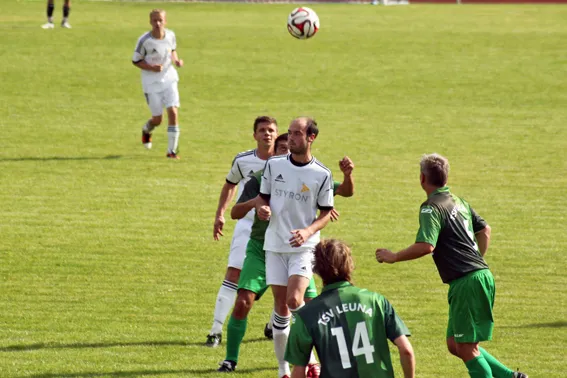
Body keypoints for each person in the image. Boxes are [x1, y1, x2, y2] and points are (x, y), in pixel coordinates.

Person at [375, 153, 528, 378]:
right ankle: (511, 377)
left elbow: (427, 245)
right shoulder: (459, 201)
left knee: (467, 348)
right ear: (445, 178)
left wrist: (394, 256)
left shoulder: (431, 207)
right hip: (478, 275)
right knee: (454, 343)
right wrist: (477, 259)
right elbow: (485, 230)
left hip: (467, 281)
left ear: (422, 178)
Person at [217, 134, 355, 374]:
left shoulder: (310, 174)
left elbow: (343, 192)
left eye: (286, 149)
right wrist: (256, 205)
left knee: (303, 305)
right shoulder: (260, 180)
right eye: (279, 150)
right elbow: (235, 212)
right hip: (262, 249)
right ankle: (231, 359)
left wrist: (343, 183)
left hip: (298, 249)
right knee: (245, 301)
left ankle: (314, 360)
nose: (283, 154)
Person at [256, 117, 334, 378]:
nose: (290, 138)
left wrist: (308, 231)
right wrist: (262, 209)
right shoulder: (274, 165)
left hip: (304, 247)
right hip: (275, 245)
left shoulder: (321, 174)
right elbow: (263, 197)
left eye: (297, 134)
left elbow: (327, 212)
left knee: (294, 300)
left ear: (311, 137)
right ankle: (283, 370)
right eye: (289, 133)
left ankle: (317, 346)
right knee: (281, 307)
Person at [285, 239, 415, 378]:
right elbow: (406, 350)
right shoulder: (376, 301)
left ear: (316, 269)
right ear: (350, 265)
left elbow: (299, 371)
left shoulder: (307, 314)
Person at [206, 116, 279, 347]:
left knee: (285, 280)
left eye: (271, 130)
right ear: (254, 135)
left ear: (277, 135)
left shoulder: (289, 163)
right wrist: (220, 214)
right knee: (234, 273)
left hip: (279, 229)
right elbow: (230, 184)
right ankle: (215, 330)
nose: (267, 134)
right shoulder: (243, 160)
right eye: (262, 130)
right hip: (247, 226)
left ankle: (274, 324)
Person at [132, 9, 184, 159]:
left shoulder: (171, 35)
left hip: (169, 78)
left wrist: (176, 61)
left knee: (173, 112)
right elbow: (136, 60)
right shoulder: (144, 41)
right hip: (151, 83)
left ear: (165, 21)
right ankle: (147, 130)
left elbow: (172, 50)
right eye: (155, 20)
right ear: (150, 22)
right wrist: (151, 68)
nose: (158, 23)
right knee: (157, 119)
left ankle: (171, 152)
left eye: (160, 20)